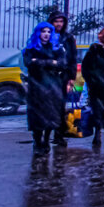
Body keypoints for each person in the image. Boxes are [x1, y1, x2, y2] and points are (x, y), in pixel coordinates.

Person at [23, 22, 67, 153]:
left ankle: (46, 140)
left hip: (52, 86)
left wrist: (40, 62)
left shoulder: (56, 48)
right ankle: (37, 141)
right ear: (38, 33)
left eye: (49, 32)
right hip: (36, 87)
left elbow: (62, 64)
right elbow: (29, 63)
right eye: (43, 32)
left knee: (51, 115)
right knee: (37, 116)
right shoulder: (31, 49)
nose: (46, 34)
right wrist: (50, 62)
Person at [47, 11, 78, 148]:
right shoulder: (46, 35)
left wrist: (71, 77)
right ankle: (45, 136)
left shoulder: (68, 38)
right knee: (48, 107)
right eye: (56, 21)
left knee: (60, 108)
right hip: (48, 77)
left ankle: (59, 135)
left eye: (61, 21)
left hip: (63, 77)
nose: (59, 24)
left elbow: (72, 58)